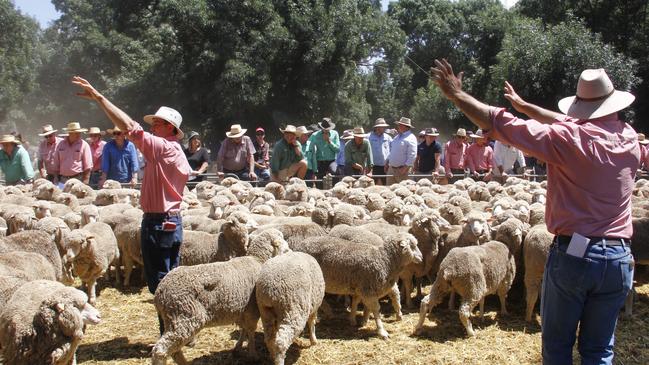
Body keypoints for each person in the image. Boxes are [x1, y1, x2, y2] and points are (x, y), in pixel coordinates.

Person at [431, 59, 636, 365]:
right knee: (600, 349)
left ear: (580, 107)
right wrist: (526, 106)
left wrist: (457, 95)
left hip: (576, 256)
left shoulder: (567, 140)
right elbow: (565, 122)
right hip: (619, 259)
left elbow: (498, 122)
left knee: (557, 349)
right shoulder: (629, 136)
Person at [72, 76, 191, 335]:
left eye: (157, 123)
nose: (153, 127)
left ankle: (168, 333)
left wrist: (99, 98)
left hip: (159, 222)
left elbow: (129, 127)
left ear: (170, 128)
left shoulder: (163, 149)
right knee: (173, 277)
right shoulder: (176, 151)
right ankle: (180, 329)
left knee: (160, 280)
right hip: (172, 221)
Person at [385, 117, 417, 185]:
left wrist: (405, 168)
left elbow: (413, 154)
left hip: (403, 170)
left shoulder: (411, 138)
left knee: (405, 191)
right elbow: (392, 150)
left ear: (405, 126)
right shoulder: (397, 137)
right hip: (391, 169)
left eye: (400, 125)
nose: (398, 126)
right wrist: (387, 162)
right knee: (389, 191)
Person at [368, 118, 392, 185]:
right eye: (383, 127)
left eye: (384, 127)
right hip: (372, 166)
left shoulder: (388, 137)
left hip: (385, 166)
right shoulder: (368, 137)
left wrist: (388, 162)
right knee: (372, 185)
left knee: (386, 185)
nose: (384, 128)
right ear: (377, 127)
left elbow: (392, 150)